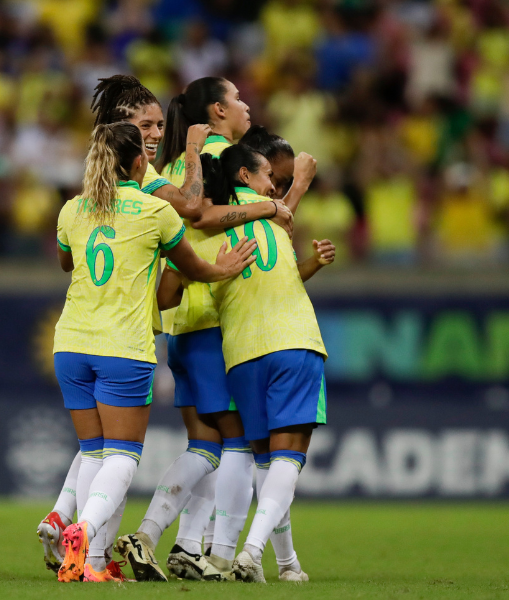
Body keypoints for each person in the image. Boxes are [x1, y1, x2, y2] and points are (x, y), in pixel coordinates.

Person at [37, 74, 291, 575]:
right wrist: (275, 199)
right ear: (127, 140)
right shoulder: (157, 194)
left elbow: (66, 261)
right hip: (157, 332)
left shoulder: (74, 206)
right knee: (184, 448)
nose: (156, 133)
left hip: (76, 339)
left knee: (97, 451)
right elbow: (195, 212)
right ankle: (172, 543)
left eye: (159, 123)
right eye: (146, 126)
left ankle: (85, 543)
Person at [116, 77, 288, 582]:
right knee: (235, 442)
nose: (246, 105)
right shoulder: (217, 155)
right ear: (217, 109)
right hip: (213, 311)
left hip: (181, 319)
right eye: (237, 98)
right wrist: (277, 201)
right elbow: (204, 214)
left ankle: (185, 545)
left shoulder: (170, 164)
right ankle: (195, 545)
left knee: (205, 443)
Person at [157, 144, 331, 584]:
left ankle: (254, 559)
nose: (273, 185)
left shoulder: (204, 228)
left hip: (241, 355)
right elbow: (282, 273)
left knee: (259, 460)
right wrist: (295, 191)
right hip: (294, 342)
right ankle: (250, 552)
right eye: (267, 176)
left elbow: (166, 296)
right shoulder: (275, 221)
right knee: (287, 459)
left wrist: (206, 273)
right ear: (244, 177)